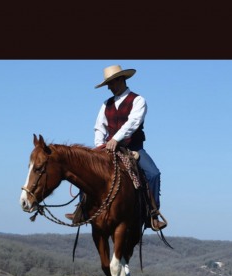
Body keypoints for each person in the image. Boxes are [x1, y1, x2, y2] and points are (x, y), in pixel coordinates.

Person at [66, 65, 167, 231]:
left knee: (154, 174)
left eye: (111, 83)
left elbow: (133, 123)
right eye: (108, 83)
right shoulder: (106, 104)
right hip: (109, 149)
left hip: (133, 147)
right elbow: (99, 127)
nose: (109, 87)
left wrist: (116, 139)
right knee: (86, 170)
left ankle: (152, 215)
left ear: (121, 79)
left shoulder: (138, 100)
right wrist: (99, 146)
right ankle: (82, 210)